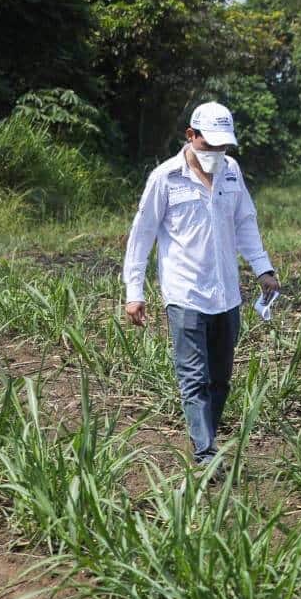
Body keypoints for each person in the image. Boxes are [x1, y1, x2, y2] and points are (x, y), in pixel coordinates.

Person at [123, 102, 279, 475]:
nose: (216, 154)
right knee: (193, 376)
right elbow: (141, 236)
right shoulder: (165, 178)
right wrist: (134, 292)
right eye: (209, 145)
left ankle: (206, 433)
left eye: (223, 147)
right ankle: (205, 454)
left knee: (220, 377)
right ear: (191, 137)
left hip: (226, 294)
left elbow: (246, 222)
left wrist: (263, 269)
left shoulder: (231, 172)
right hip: (185, 294)